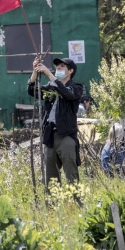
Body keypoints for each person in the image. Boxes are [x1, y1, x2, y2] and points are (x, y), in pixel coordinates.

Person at [27, 56, 83, 187]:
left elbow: (67, 94)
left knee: (71, 175)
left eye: (62, 66)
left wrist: (49, 74)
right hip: (50, 136)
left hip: (66, 136)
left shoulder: (76, 87)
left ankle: (76, 203)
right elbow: (32, 90)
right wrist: (35, 71)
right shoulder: (51, 87)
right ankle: (52, 206)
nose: (58, 68)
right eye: (57, 67)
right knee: (51, 177)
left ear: (70, 71)